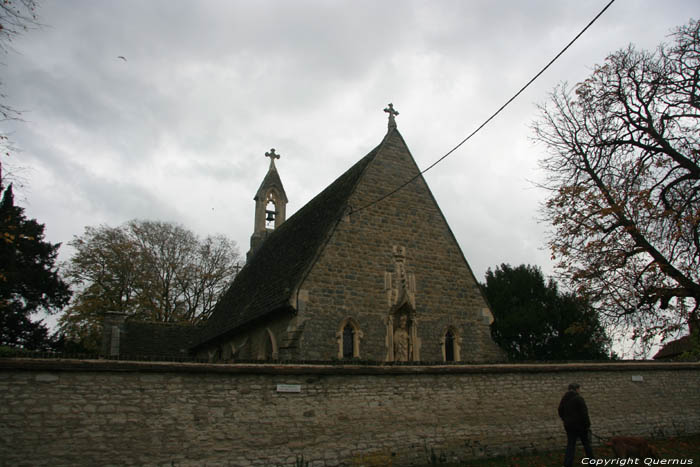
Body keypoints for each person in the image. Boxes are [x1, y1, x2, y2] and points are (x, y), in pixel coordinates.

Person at [558, 383, 594, 466]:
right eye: (578, 389)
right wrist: (587, 425)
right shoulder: (579, 398)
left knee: (570, 445)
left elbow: (560, 410)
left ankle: (567, 464)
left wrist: (565, 419)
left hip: (569, 426)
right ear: (576, 389)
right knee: (586, 445)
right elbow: (584, 413)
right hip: (581, 426)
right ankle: (592, 463)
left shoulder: (564, 399)